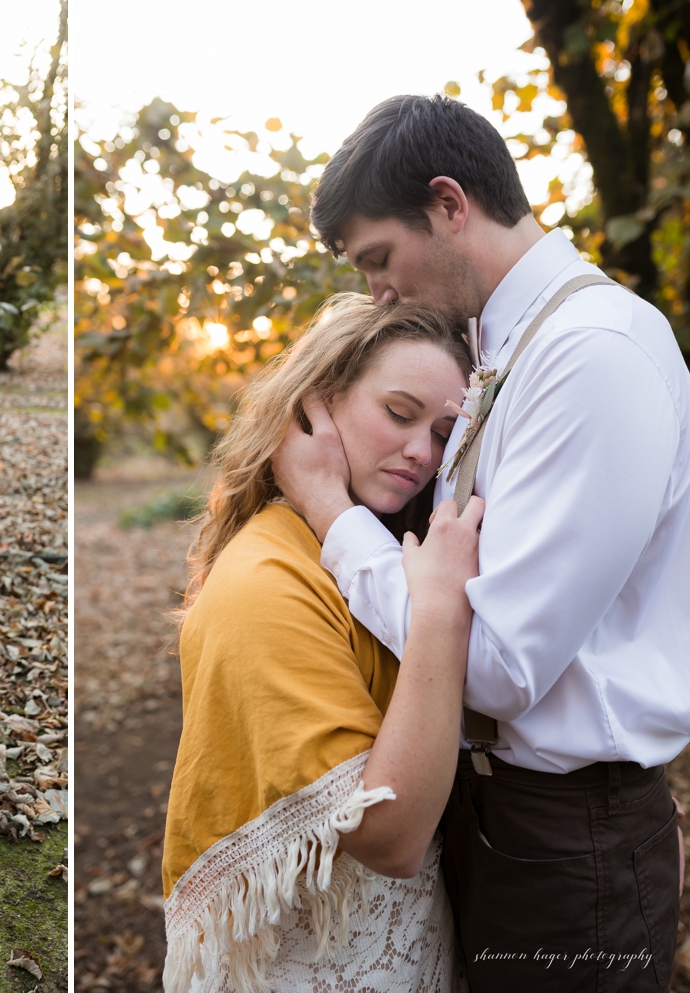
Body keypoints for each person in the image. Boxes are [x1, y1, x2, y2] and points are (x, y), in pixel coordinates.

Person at [273, 93, 690, 991]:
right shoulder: (503, 344)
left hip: (568, 837)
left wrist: (331, 512)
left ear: (448, 203)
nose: (376, 292)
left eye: (379, 259)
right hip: (499, 812)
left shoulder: (592, 354)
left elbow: (500, 663)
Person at [162, 296, 478, 992]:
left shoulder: (374, 553)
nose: (423, 452)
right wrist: (441, 614)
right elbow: (388, 835)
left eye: (445, 432)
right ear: (316, 405)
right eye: (399, 413)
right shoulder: (266, 584)